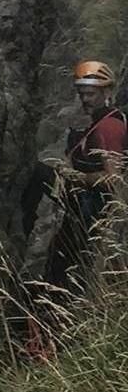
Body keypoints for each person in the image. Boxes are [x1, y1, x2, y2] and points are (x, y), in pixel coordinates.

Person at [45, 60, 126, 298]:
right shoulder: (102, 123)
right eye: (82, 94)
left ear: (107, 92)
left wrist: (78, 177)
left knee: (62, 276)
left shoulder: (109, 127)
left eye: (90, 94)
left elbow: (114, 178)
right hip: (84, 217)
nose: (85, 100)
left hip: (92, 219)